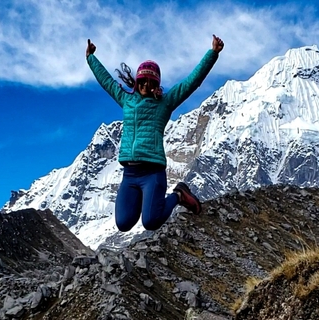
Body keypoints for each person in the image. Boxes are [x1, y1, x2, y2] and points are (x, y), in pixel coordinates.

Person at [86, 35, 224, 232]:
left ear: (156, 84)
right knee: (123, 223)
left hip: (153, 172)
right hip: (130, 174)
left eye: (150, 82)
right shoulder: (127, 100)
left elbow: (191, 83)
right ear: (137, 82)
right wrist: (91, 58)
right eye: (142, 81)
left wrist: (213, 53)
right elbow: (106, 81)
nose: (145, 86)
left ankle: (178, 195)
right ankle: (147, 198)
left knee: (150, 222)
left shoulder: (164, 104)